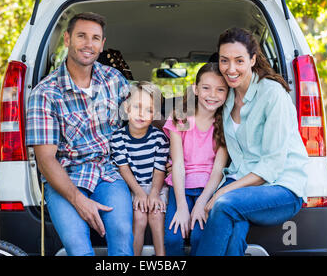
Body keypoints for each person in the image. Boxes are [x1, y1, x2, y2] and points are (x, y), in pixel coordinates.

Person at [25, 12, 134, 256]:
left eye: (95, 38)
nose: (88, 44)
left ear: (102, 44)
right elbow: (46, 160)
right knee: (77, 246)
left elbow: (141, 117)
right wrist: (79, 201)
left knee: (122, 233)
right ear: (67, 39)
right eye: (81, 36)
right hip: (66, 175)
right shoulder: (45, 93)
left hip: (108, 172)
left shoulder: (113, 79)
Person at [196, 27, 309, 256]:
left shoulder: (272, 94)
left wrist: (219, 194)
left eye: (239, 61)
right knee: (234, 232)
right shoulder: (227, 95)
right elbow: (194, 119)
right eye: (224, 60)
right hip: (243, 186)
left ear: (253, 59)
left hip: (281, 187)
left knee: (225, 206)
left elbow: (272, 166)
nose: (231, 68)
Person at [163, 63, 229, 256]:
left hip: (208, 188)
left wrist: (201, 203)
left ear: (227, 94)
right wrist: (182, 206)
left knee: (200, 237)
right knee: (173, 237)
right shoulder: (180, 118)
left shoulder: (225, 124)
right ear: (196, 89)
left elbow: (218, 170)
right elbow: (178, 164)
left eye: (220, 89)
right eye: (206, 88)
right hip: (181, 187)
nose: (212, 94)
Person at [110, 81, 169, 256]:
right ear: (126, 108)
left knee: (156, 215)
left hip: (156, 186)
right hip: (133, 187)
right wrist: (140, 193)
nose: (142, 114)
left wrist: (153, 193)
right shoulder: (118, 138)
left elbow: (160, 170)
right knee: (140, 217)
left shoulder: (159, 138)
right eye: (137, 107)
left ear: (155, 114)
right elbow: (124, 169)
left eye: (149, 110)